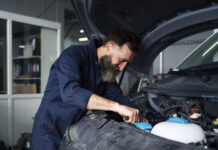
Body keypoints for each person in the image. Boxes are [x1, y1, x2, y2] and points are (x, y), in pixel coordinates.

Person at [30, 30, 141, 150]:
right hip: (49, 130)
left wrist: (137, 115)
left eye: (127, 63)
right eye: (122, 60)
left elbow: (117, 96)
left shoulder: (106, 70)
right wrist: (117, 107)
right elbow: (70, 93)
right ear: (109, 47)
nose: (122, 67)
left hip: (74, 131)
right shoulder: (73, 55)